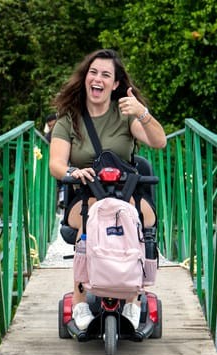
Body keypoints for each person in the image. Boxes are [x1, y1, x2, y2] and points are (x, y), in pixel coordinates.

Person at [49, 49, 166, 331]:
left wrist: (143, 113)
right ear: (85, 78)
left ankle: (134, 298)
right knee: (89, 223)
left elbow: (159, 142)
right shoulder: (68, 121)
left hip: (126, 193)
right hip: (86, 194)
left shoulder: (125, 115)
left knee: (140, 221)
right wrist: (72, 172)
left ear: (115, 84)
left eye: (105, 75)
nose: (98, 79)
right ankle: (79, 302)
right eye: (93, 72)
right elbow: (55, 164)